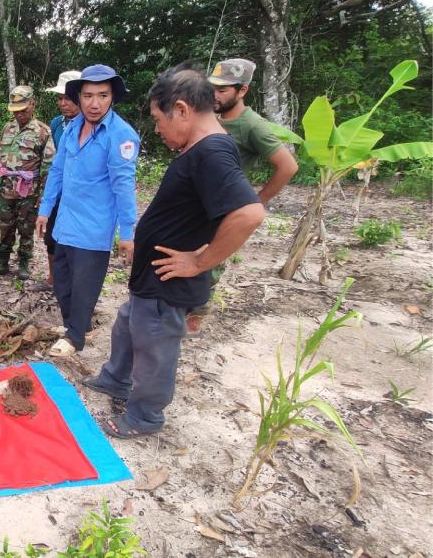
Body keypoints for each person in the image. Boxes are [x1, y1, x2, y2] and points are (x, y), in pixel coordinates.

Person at [81, 65, 265, 438]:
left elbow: (249, 214)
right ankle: (115, 379)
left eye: (157, 119)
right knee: (128, 324)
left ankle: (144, 416)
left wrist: (200, 261)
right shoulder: (201, 148)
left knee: (154, 347)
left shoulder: (212, 152)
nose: (157, 129)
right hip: (153, 277)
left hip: (168, 282)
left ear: (181, 109)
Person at [185, 58, 299, 335]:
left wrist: (256, 201)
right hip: (195, 206)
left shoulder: (251, 125)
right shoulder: (209, 117)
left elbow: (288, 166)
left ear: (242, 90)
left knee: (209, 264)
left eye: (223, 90)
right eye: (212, 88)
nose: (215, 95)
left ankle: (194, 320)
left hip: (222, 209)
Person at [35, 64, 140, 357]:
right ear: (79, 97)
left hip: (94, 226)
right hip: (65, 221)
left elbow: (123, 186)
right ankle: (76, 325)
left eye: (103, 95)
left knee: (84, 286)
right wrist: (45, 209)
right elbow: (57, 170)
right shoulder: (72, 128)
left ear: (112, 97)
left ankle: (75, 338)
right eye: (88, 95)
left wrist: (127, 233)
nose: (95, 104)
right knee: (62, 280)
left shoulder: (121, 135)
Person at [0, 85, 56, 281]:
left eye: (23, 110)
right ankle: (2, 262)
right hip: (6, 188)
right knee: (4, 225)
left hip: (29, 191)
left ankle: (24, 263)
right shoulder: (8, 128)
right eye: (15, 110)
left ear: (33, 104)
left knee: (26, 227)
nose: (19, 114)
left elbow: (48, 165)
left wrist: (43, 194)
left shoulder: (42, 131)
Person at [30, 70, 81, 293]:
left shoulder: (89, 126)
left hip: (78, 194)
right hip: (56, 191)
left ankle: (74, 284)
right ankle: (53, 279)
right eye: (60, 98)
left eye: (68, 98)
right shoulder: (57, 124)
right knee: (51, 237)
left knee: (74, 241)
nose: (63, 103)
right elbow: (51, 161)